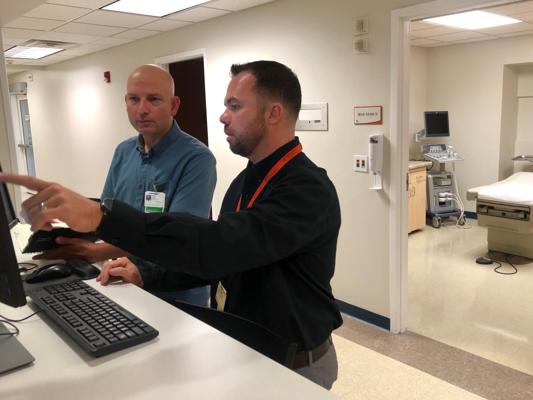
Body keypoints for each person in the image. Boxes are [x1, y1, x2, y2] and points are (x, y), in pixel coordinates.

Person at [1, 60, 343, 389]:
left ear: (273, 113)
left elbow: (217, 245)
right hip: (249, 350)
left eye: (235, 106)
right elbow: (220, 262)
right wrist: (144, 274)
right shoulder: (246, 181)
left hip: (296, 366)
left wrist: (103, 218)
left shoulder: (307, 190)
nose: (223, 116)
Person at [33, 64, 217, 306]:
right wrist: (69, 229)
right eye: (134, 99)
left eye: (153, 99)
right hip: (126, 283)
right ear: (126, 102)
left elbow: (176, 241)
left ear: (173, 105)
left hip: (175, 296)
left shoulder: (197, 159)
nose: (142, 110)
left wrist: (99, 252)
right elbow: (107, 217)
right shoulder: (124, 151)